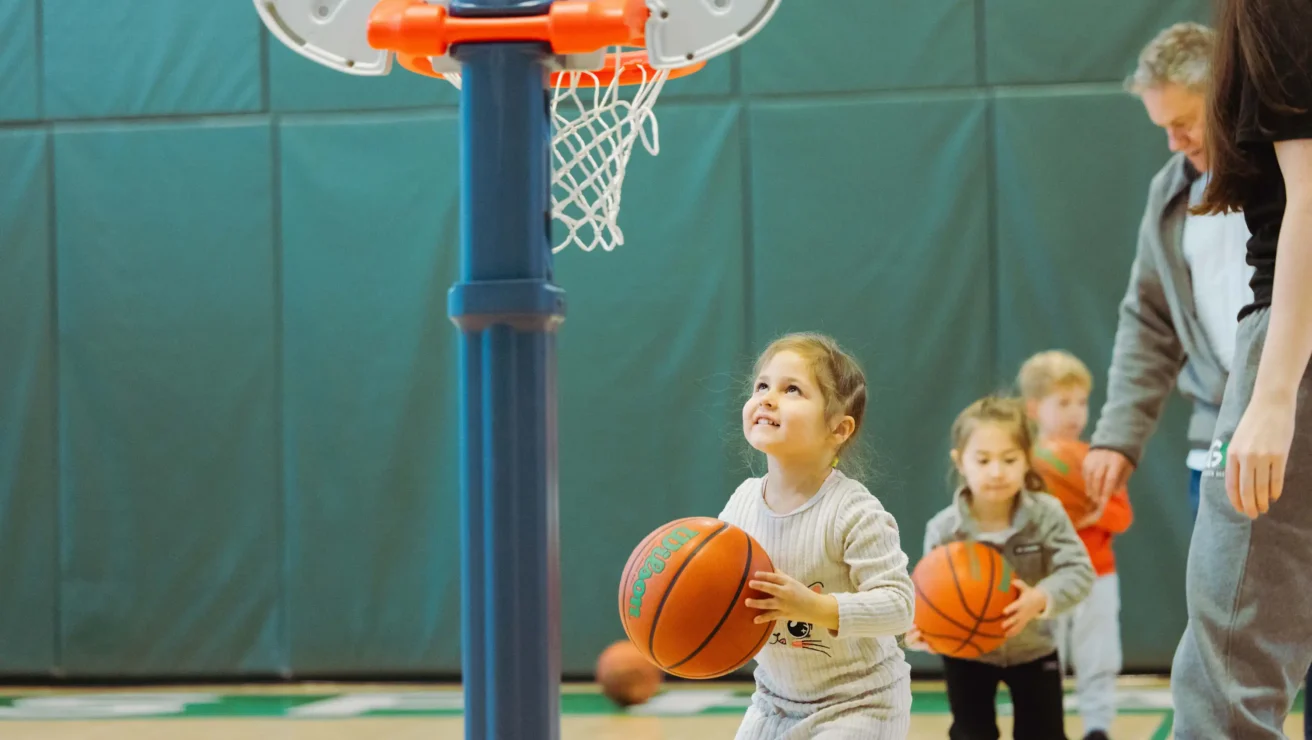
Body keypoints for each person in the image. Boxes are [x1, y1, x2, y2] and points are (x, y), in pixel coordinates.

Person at [1167, 0, 1312, 737]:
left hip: (1294, 346)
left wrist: (1274, 393)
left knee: (1229, 665)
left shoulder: (1278, 9)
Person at [1084, 22, 1254, 518]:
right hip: (1217, 441)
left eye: (1185, 123)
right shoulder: (1172, 193)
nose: (1174, 143)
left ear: (1225, 96)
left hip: (1294, 430)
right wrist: (1118, 437)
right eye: (1163, 128)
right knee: (1218, 593)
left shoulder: (1290, 179)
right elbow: (1150, 321)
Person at [718, 332, 916, 739]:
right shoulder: (740, 504)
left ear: (838, 428)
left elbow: (900, 607)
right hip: (774, 701)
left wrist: (815, 607)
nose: (768, 397)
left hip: (860, 703)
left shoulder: (854, 512)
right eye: (762, 386)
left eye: (792, 389)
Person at [905, 395, 1095, 740]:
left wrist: (1041, 597)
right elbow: (927, 597)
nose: (996, 471)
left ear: (1027, 460)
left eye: (1009, 459)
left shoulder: (1046, 515)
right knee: (970, 733)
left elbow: (1079, 572)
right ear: (960, 462)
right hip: (966, 653)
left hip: (1034, 650)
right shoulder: (944, 529)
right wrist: (926, 631)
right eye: (983, 460)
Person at [1021, 351, 1133, 740]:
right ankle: (1049, 727)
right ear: (1034, 408)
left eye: (1082, 402)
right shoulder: (1023, 463)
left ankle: (1097, 727)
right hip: (1045, 578)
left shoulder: (1097, 458)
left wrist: (1095, 513)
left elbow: (1123, 517)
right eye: (1063, 402)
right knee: (1045, 658)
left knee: (1098, 656)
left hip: (1098, 573)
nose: (1075, 413)